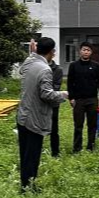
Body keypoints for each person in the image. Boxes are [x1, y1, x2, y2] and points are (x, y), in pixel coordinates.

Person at [16, 37, 69, 189]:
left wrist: (33, 53)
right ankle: (28, 188)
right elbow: (46, 94)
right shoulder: (45, 69)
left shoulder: (29, 64)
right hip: (35, 118)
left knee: (25, 154)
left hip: (23, 115)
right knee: (33, 155)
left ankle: (25, 185)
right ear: (52, 52)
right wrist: (64, 94)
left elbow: (23, 67)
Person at [66, 42, 99, 153]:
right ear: (80, 51)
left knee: (92, 125)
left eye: (88, 50)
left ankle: (91, 147)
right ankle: (77, 148)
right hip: (78, 100)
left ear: (91, 52)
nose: (86, 52)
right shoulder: (73, 66)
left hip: (92, 99)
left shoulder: (96, 66)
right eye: (84, 50)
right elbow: (70, 82)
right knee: (78, 125)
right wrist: (71, 98)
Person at [48, 55, 64, 157]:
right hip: (39, 103)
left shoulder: (58, 69)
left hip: (53, 102)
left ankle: (55, 152)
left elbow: (56, 87)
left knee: (54, 128)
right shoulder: (37, 67)